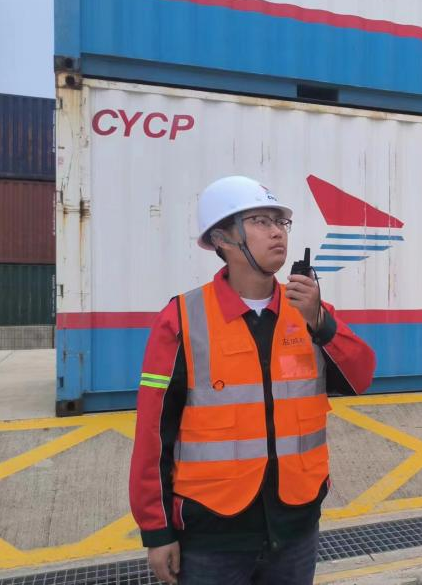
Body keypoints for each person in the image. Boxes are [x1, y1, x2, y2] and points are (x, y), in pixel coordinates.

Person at [129, 175, 376, 584]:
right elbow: (154, 434)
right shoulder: (181, 319)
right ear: (222, 238)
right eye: (261, 221)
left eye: (281, 222)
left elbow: (361, 376)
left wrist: (320, 321)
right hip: (212, 537)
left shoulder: (310, 311)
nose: (277, 232)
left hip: (296, 527)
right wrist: (157, 532)